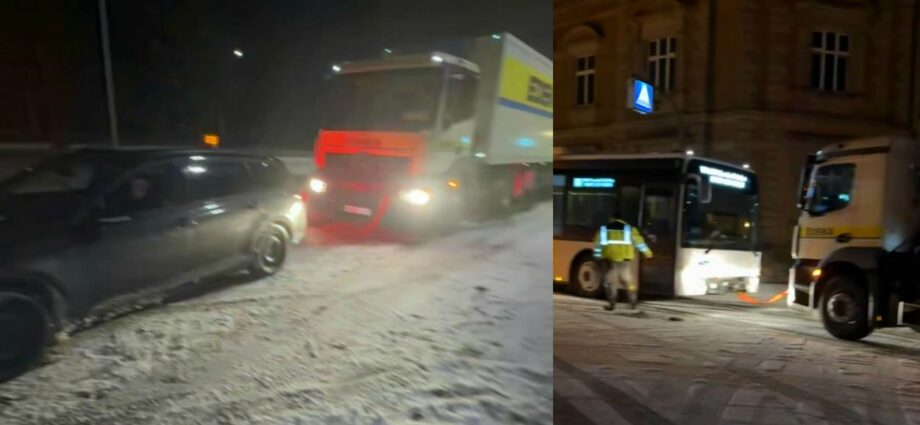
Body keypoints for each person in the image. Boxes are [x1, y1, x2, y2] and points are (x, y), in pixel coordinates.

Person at [593, 213, 654, 311]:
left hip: (611, 260)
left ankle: (612, 303)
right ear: (622, 220)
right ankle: (632, 301)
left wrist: (597, 256)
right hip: (625, 261)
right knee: (627, 280)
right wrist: (648, 253)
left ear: (612, 218)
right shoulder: (630, 229)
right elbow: (639, 243)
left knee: (609, 282)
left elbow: (598, 245)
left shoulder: (604, 229)